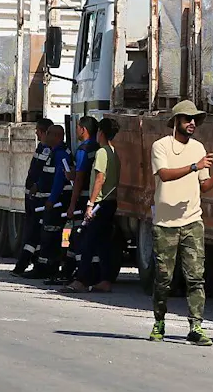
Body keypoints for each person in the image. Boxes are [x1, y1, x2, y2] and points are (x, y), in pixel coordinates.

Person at [148, 100, 213, 347]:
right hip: (165, 223)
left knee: (195, 277)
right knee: (163, 277)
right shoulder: (160, 146)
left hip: (192, 221)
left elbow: (203, 185)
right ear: (175, 122)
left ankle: (196, 326)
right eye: (187, 119)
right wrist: (195, 166)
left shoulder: (199, 148)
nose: (192, 123)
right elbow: (164, 175)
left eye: (195, 119)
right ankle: (159, 321)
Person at [62, 118, 122, 294]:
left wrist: (90, 204)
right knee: (103, 244)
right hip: (110, 203)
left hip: (100, 204)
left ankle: (81, 280)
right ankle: (105, 280)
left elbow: (99, 178)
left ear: (100, 133)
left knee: (87, 241)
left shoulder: (102, 152)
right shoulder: (113, 152)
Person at [51, 116, 100, 286]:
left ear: (83, 130)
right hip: (97, 199)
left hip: (84, 199)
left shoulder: (83, 150)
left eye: (78, 127)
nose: (77, 130)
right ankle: (90, 273)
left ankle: (78, 274)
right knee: (90, 237)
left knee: (78, 236)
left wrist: (72, 204)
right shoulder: (98, 147)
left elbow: (78, 179)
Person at [11, 118, 54, 277]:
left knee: (33, 232)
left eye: (38, 130)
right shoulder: (42, 147)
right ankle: (33, 262)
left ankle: (22, 265)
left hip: (39, 198)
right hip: (33, 196)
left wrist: (35, 188)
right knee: (32, 230)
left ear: (43, 132)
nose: (35, 132)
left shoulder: (47, 150)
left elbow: (42, 174)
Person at [31, 125, 72, 279]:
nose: (44, 136)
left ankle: (50, 267)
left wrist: (51, 200)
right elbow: (47, 175)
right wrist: (37, 186)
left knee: (52, 237)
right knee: (46, 235)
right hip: (50, 203)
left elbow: (59, 180)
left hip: (56, 205)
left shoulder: (61, 155)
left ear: (56, 136)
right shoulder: (53, 153)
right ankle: (44, 266)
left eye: (47, 134)